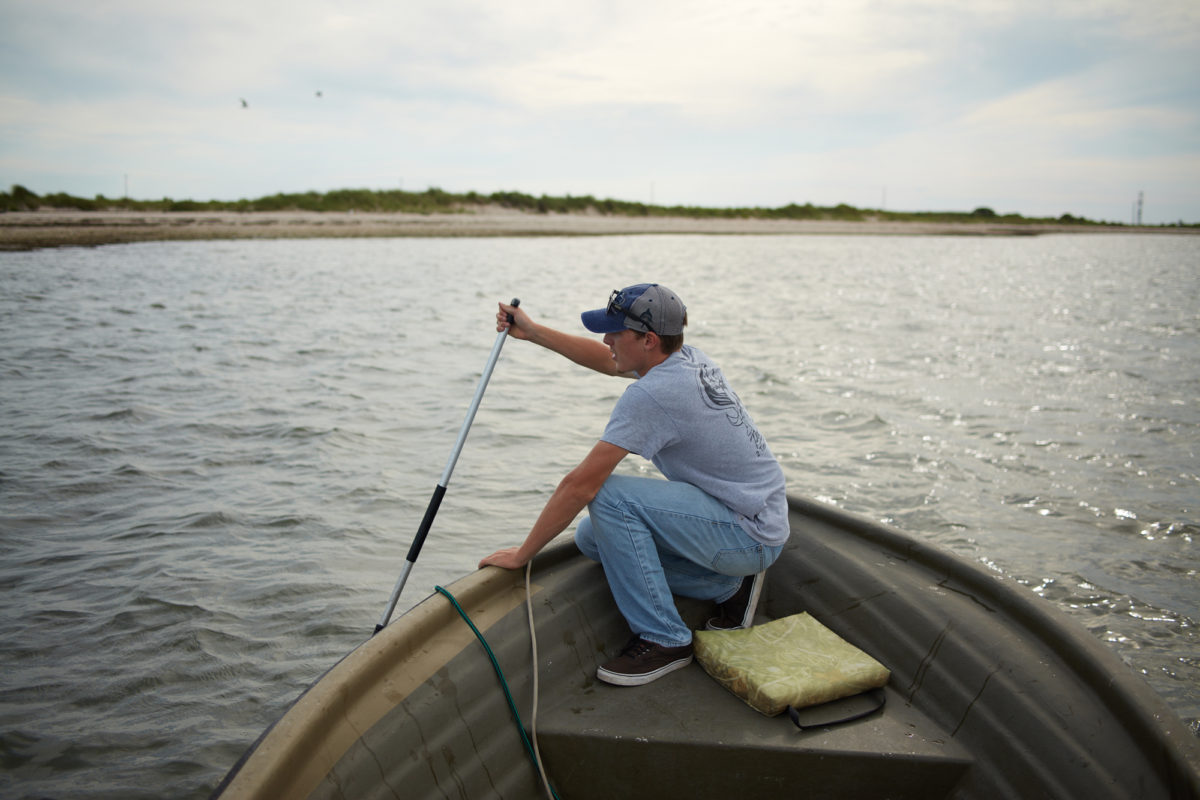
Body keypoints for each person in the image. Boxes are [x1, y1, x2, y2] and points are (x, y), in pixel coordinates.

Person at [478, 284, 788, 686]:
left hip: (749, 534)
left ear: (649, 340)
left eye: (615, 332)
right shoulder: (686, 358)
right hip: (757, 515)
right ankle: (728, 587)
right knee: (592, 538)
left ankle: (665, 638)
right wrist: (534, 332)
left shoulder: (653, 395)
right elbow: (609, 362)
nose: (606, 340)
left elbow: (580, 486)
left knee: (608, 495)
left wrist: (523, 555)